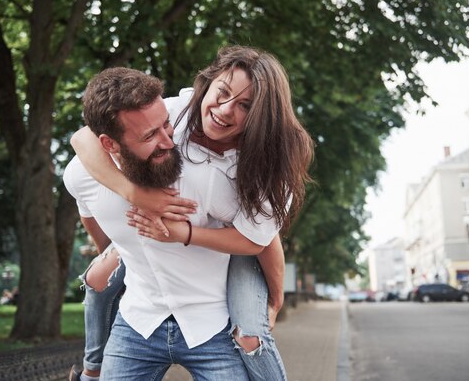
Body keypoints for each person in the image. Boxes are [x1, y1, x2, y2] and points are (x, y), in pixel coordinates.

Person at [69, 46, 314, 380]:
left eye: (245, 105)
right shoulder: (175, 113)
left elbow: (258, 240)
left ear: (261, 115)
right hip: (143, 312)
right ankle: (91, 371)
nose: (225, 111)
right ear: (208, 84)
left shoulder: (267, 165)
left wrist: (274, 297)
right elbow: (84, 139)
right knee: (98, 282)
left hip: (232, 268)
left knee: (251, 333)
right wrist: (137, 196)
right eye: (223, 93)